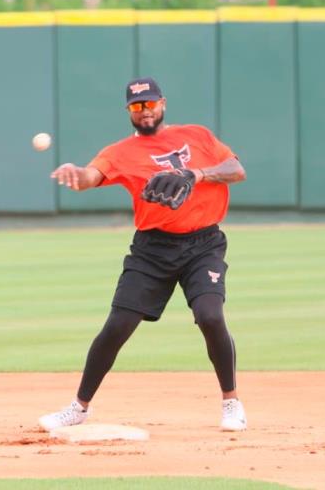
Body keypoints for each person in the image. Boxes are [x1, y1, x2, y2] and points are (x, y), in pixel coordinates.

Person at [40, 77, 248, 431]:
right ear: (128, 111)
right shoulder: (119, 152)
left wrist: (196, 173)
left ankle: (231, 402)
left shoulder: (196, 135)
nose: (145, 111)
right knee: (118, 326)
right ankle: (79, 406)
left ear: (163, 104)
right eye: (137, 106)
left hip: (204, 244)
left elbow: (236, 170)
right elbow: (92, 176)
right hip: (153, 249)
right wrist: (77, 174)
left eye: (150, 104)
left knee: (210, 315)